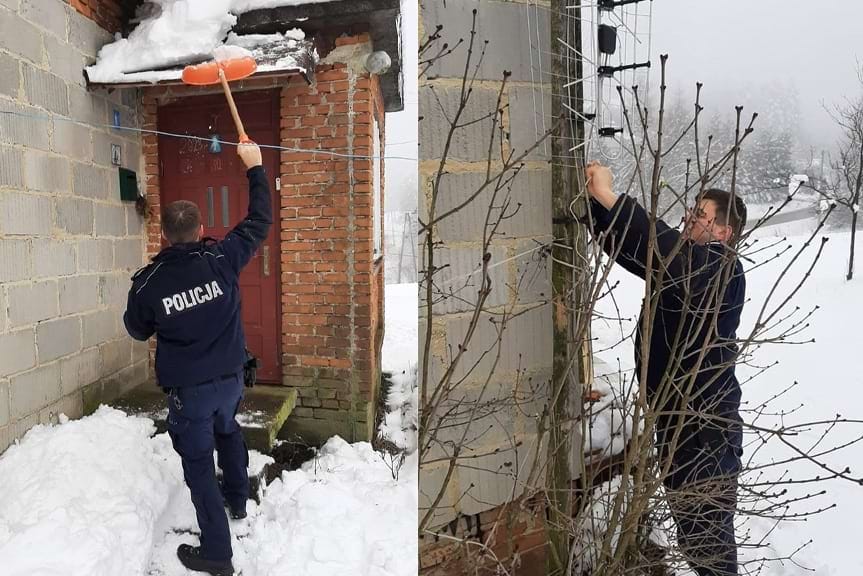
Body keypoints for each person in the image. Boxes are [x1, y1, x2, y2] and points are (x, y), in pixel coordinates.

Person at [585, 161, 746, 576]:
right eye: (691, 211)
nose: (689, 217)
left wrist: (609, 195)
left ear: (725, 233)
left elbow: (662, 248)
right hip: (677, 426)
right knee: (697, 543)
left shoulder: (723, 268)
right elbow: (636, 250)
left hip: (706, 432)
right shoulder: (683, 262)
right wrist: (594, 209)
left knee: (709, 546)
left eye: (700, 215)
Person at [123, 142, 271, 576]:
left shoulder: (149, 284)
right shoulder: (221, 257)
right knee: (228, 431)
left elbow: (137, 329)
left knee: (199, 466)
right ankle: (239, 499)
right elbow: (260, 221)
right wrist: (256, 169)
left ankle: (217, 554)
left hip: (193, 394)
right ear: (200, 226)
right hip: (230, 383)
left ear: (164, 233)